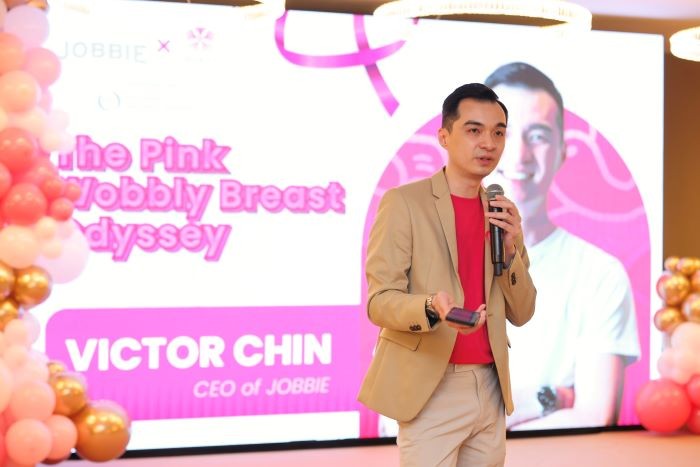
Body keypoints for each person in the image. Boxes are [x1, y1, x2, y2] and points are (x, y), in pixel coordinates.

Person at [358, 83, 537, 467]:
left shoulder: (502, 213)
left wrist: (511, 252)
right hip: (432, 386)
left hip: (490, 385)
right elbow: (379, 301)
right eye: (474, 130)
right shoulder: (405, 203)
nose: (488, 143)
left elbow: (523, 312)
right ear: (444, 136)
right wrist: (430, 307)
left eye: (498, 132)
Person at [482, 62, 640, 430]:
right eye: (502, 134)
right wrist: (546, 397)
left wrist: (475, 426)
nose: (518, 155)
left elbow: (595, 417)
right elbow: (404, 419)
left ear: (561, 153)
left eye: (537, 136)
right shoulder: (430, 257)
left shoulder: (599, 274)